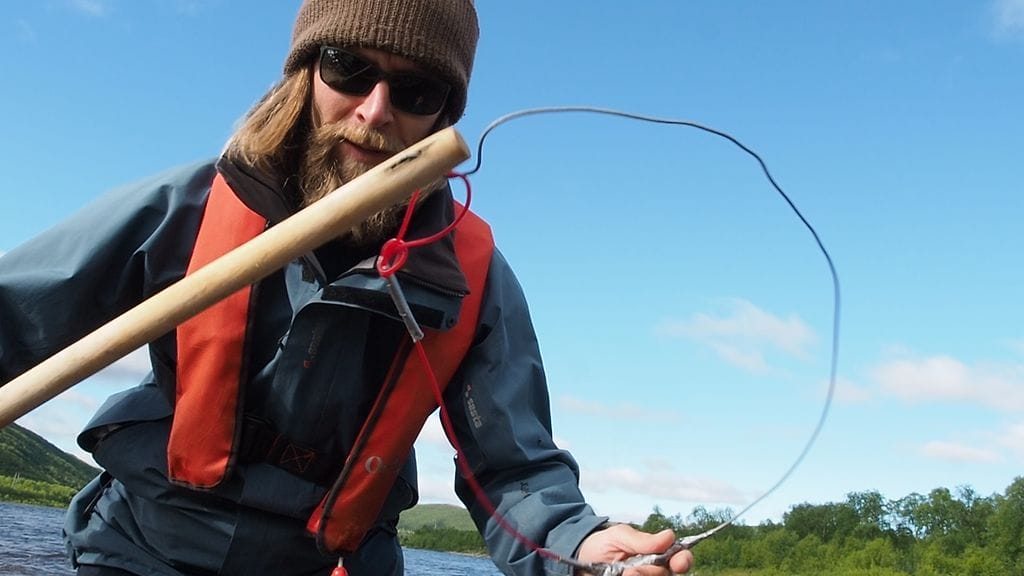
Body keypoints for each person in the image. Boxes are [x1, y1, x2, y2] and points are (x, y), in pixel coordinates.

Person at [0, 1, 693, 575]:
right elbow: (15, 313)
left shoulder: (475, 276)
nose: (374, 110)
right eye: (349, 69)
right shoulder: (186, 208)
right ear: (306, 72)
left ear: (441, 114)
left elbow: (514, 467)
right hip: (144, 550)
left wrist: (581, 545)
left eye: (415, 90)